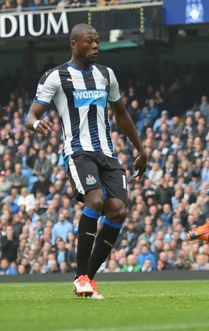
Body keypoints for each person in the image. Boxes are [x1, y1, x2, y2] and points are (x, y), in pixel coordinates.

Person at [25, 24, 147, 299]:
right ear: (74, 44)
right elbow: (30, 116)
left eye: (97, 42)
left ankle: (87, 279)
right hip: (78, 152)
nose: (95, 47)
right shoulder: (56, 77)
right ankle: (81, 276)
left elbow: (121, 112)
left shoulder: (106, 75)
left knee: (118, 210)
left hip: (108, 153)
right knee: (95, 201)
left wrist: (141, 149)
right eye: (89, 42)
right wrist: (36, 125)